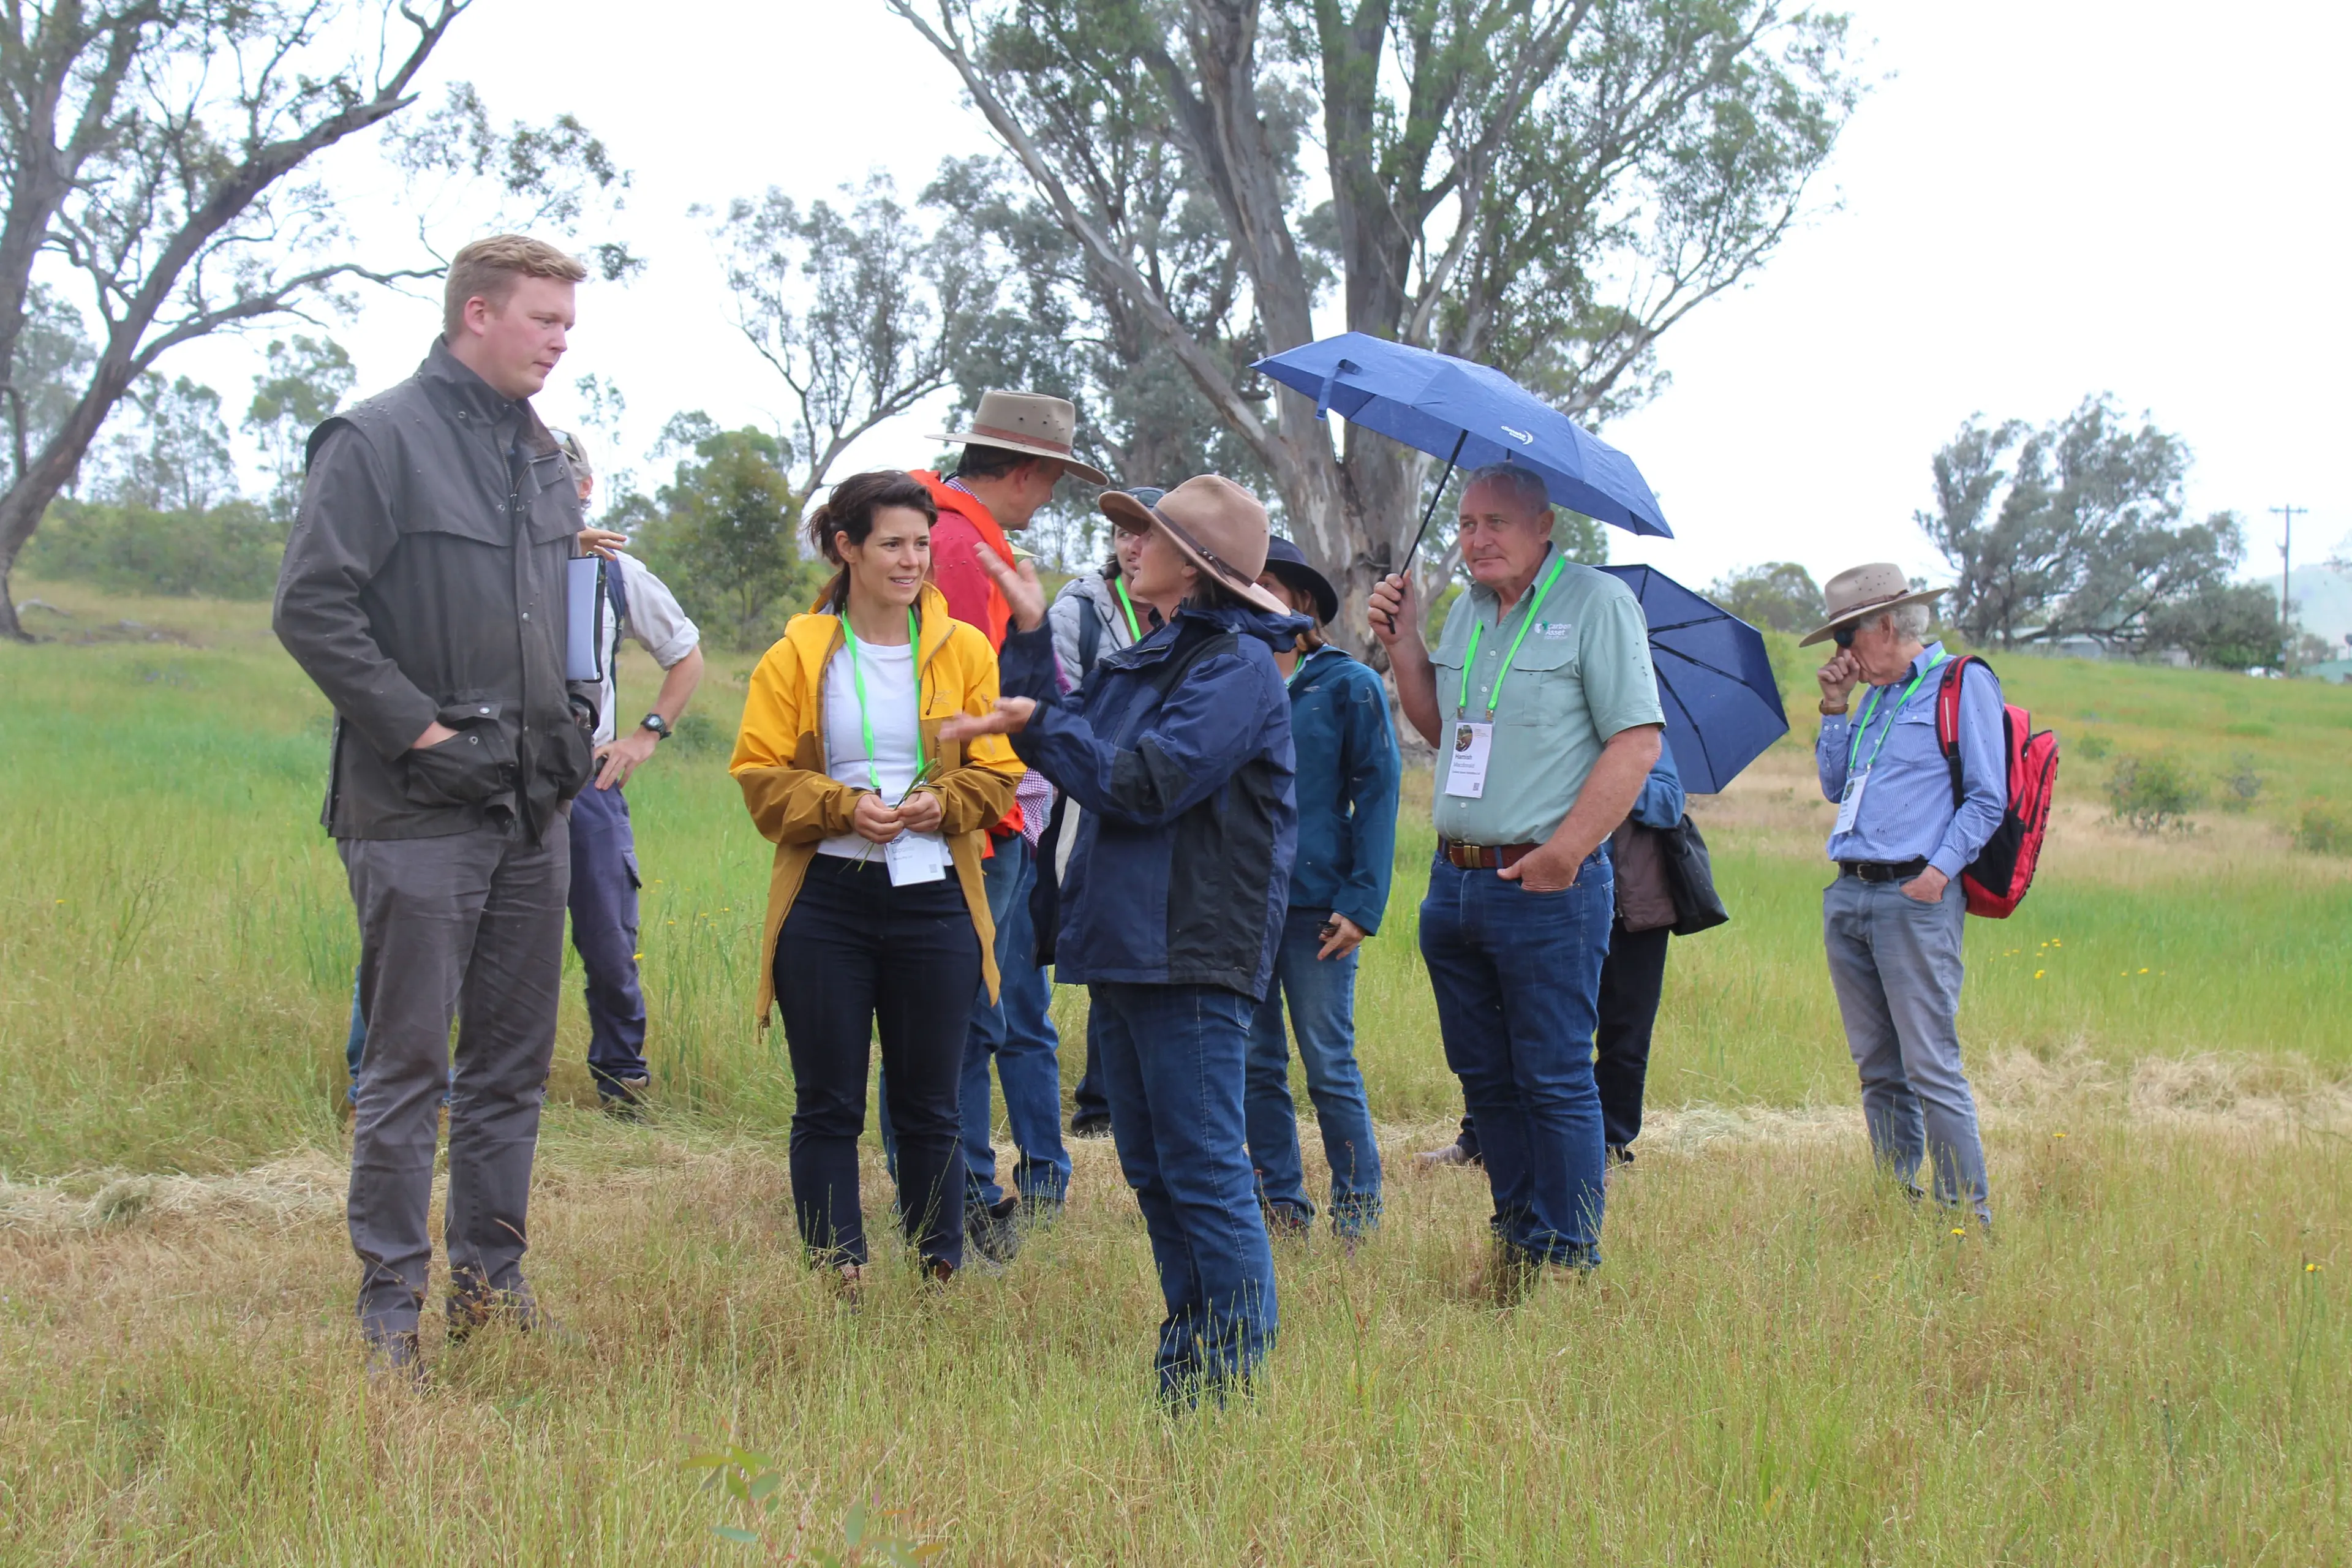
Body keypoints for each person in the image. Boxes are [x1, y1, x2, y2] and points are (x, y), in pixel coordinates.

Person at [274, 235, 601, 1379]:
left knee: (513, 1067)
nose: (563, 341)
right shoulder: (376, 442)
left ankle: (489, 1289)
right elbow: (313, 609)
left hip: (532, 808)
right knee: (409, 1066)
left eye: (569, 323)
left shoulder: (547, 456)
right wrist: (417, 730)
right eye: (544, 321)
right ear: (476, 313)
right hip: (415, 812)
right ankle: (388, 1317)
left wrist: (579, 717)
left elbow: (570, 609)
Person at [943, 474, 1304, 1405]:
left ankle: (1226, 1384)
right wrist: (1029, 642)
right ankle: (1191, 1371)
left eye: (1146, 535)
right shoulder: (1155, 658)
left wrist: (1040, 720)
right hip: (1130, 948)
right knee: (1153, 1167)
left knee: (1204, 1166)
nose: (1126, 548)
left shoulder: (1231, 671)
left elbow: (1141, 782)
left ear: (1198, 566)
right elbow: (1066, 738)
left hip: (1189, 951)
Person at [1368, 464, 1664, 1283]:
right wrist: (1404, 647)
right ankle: (1519, 1238)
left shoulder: (1597, 606)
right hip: (1454, 881)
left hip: (1544, 885)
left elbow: (1636, 741)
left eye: (1496, 522)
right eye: (1465, 524)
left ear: (1544, 527)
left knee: (1555, 1073)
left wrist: (1567, 851)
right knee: (1484, 1076)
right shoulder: (1467, 611)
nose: (1477, 539)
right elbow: (1442, 724)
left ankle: (1570, 1255)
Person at [729, 470, 1023, 1291]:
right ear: (846, 546)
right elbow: (758, 773)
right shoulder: (796, 655)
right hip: (827, 900)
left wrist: (944, 800)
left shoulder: (964, 649)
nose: (911, 560)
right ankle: (838, 1272)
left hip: (934, 899)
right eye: (892, 543)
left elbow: (998, 771)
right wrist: (840, 806)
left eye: (922, 544)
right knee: (827, 1102)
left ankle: (940, 1268)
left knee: (931, 1103)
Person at [912, 391, 1107, 1254]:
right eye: (1053, 481)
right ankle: (959, 1199)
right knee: (969, 1014)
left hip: (990, 811)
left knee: (990, 1009)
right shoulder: (961, 547)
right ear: (1028, 471)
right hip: (975, 816)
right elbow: (962, 693)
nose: (1050, 498)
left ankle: (982, 1187)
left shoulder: (949, 532)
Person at [1806, 562, 2003, 1226]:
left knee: (1930, 1064)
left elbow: (1987, 797)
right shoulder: (1873, 699)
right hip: (1852, 894)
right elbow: (1838, 789)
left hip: (1914, 896)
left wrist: (1937, 874)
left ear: (1885, 626)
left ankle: (1962, 1215)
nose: (1842, 654)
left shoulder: (1960, 684)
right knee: (1878, 1067)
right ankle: (1897, 1199)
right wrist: (1834, 710)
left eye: (1846, 637)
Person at [1420, 742, 1686, 1170]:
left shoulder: (1634, 726)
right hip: (1545, 897)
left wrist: (1608, 777)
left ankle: (1609, 1148)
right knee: (1508, 1020)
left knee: (1624, 1030)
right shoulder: (1545, 723)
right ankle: (1479, 1139)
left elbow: (1669, 802)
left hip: (1630, 905)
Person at [1243, 537, 1400, 1238]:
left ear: (1301, 599)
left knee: (1328, 1060)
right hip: (1240, 900)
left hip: (1318, 905)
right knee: (1254, 1060)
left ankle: (1358, 1211)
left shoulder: (1347, 685)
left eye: (1267, 583)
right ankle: (1281, 1204)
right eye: (1243, 584)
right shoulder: (1228, 676)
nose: (1254, 595)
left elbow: (1379, 799)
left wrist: (1362, 905)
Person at [552, 430, 705, 1111]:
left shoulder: (614, 571)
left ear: (585, 488)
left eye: (562, 476)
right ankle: (462, 1086)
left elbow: (686, 654)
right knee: (474, 941)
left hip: (588, 781)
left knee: (610, 942)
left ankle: (622, 1079)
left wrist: (644, 734)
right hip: (491, 780)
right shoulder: (476, 566)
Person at [1044, 503, 1156, 1139]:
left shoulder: (1187, 614)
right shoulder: (1079, 612)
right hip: (1086, 802)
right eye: (1124, 534)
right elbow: (1058, 708)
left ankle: (1113, 1102)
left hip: (1160, 800)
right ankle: (1097, 1109)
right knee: (1101, 946)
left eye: (1149, 533)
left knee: (1130, 949)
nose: (1135, 546)